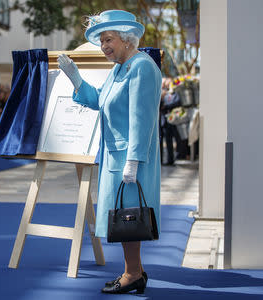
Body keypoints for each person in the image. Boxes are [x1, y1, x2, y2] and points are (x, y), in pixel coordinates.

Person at [57, 10, 162, 294]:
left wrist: (133, 161)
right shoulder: (119, 68)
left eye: (108, 39)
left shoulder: (141, 66)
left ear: (128, 39)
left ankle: (132, 274)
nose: (104, 47)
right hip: (117, 154)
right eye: (102, 41)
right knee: (124, 216)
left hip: (131, 157)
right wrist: (75, 78)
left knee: (129, 217)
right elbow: (99, 101)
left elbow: (142, 118)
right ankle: (134, 271)